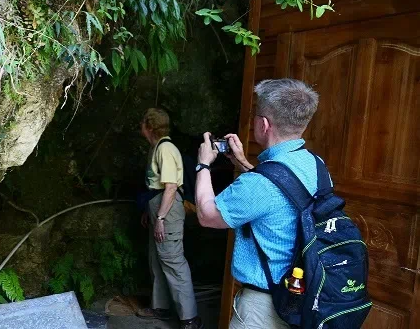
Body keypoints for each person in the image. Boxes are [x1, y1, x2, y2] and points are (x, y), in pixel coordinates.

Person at [194, 79, 320, 328]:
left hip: (263, 308)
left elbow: (207, 215)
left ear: (263, 124)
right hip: (300, 295)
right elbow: (284, 193)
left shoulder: (259, 184)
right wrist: (242, 164)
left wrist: (203, 164)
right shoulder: (315, 164)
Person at [136, 108, 203, 329]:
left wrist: (162, 218)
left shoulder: (165, 148)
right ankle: (161, 307)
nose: (140, 127)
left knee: (173, 261)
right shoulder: (157, 148)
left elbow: (171, 187)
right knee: (157, 258)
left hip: (168, 209)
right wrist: (150, 211)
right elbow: (156, 186)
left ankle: (190, 319)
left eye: (142, 124)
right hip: (158, 206)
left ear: (149, 126)